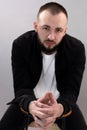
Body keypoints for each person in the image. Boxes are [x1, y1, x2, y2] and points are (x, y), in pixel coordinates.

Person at [0, 2, 87, 130]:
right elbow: (21, 88)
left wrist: (58, 109)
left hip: (61, 104)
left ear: (65, 31)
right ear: (36, 26)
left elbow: (71, 92)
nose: (51, 36)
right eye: (46, 28)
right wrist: (31, 106)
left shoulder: (77, 49)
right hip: (29, 101)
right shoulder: (21, 44)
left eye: (58, 30)